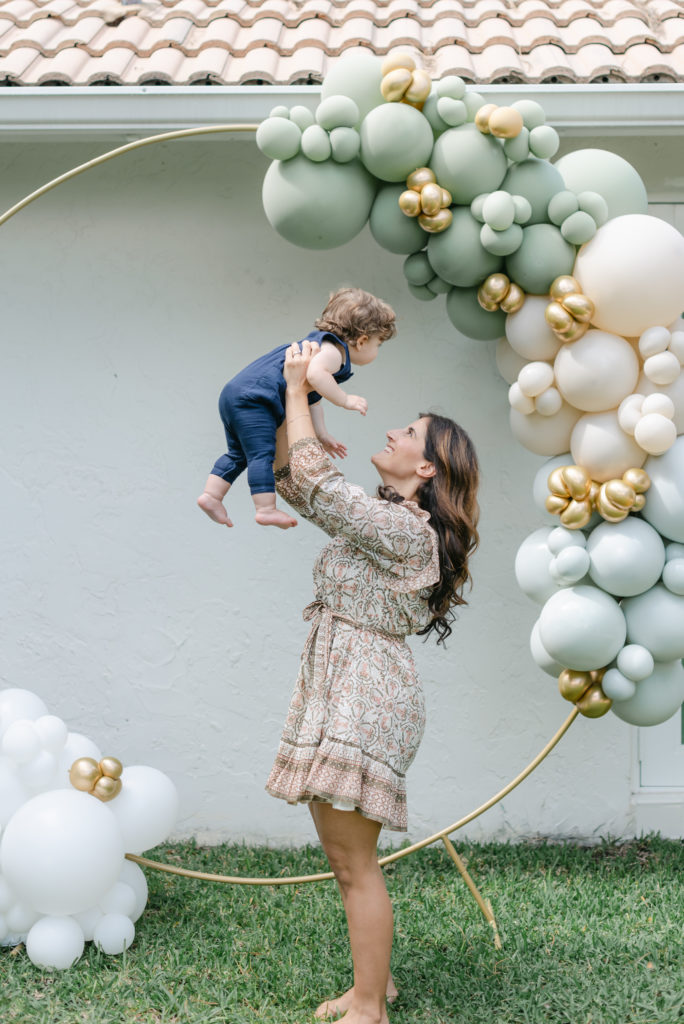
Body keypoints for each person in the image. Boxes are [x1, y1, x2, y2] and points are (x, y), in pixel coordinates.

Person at [265, 339, 480, 1024]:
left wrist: (303, 392)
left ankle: (368, 1007)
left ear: (427, 467)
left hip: (367, 693)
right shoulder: (385, 523)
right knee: (344, 856)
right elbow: (301, 486)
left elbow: (322, 491)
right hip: (345, 682)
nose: (390, 430)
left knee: (355, 863)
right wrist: (281, 398)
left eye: (408, 432)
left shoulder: (407, 531)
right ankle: (373, 982)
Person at [197, 287, 396, 529]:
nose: (377, 350)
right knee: (262, 454)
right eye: (379, 344)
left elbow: (313, 397)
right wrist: (345, 400)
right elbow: (315, 374)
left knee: (239, 454)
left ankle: (212, 495)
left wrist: (321, 434)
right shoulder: (333, 353)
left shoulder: (317, 345)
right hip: (256, 400)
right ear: (363, 340)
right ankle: (266, 509)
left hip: (236, 394)